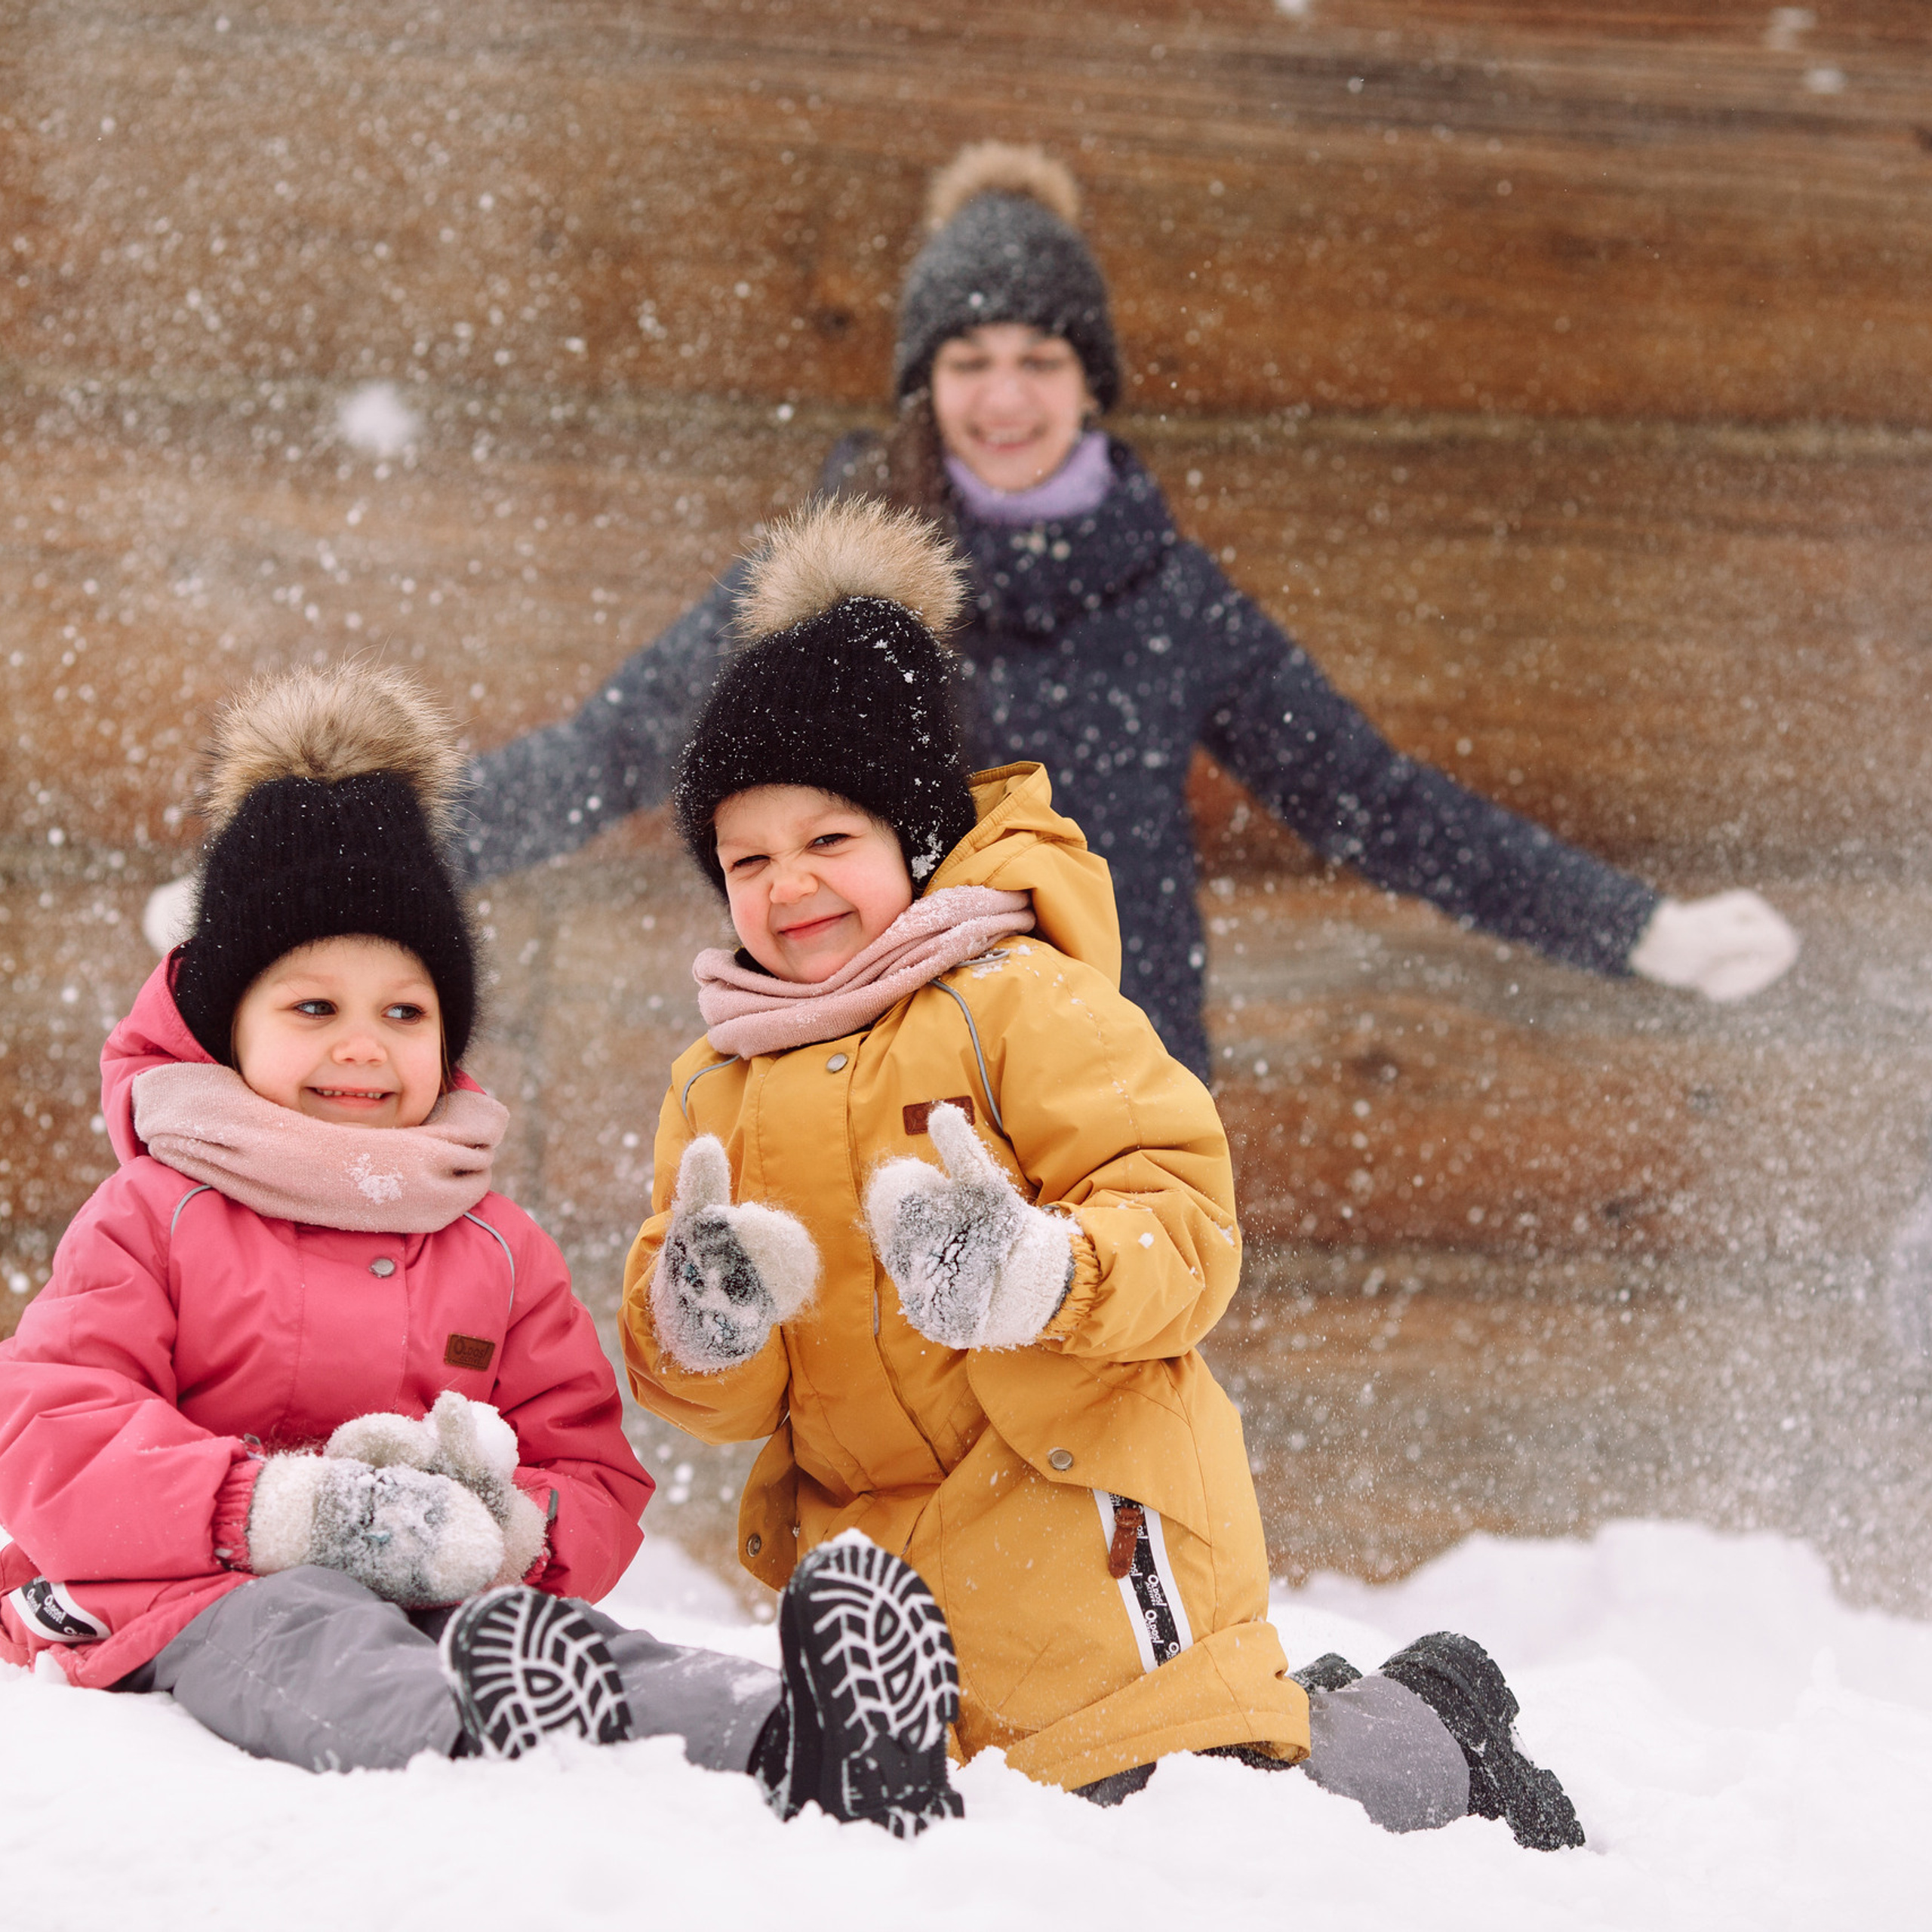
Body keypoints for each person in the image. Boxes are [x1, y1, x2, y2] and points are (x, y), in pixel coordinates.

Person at [283, 138, 1793, 1082]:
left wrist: (1630, 924)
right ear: (922, 389)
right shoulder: (829, 583)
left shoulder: (1169, 603)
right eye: (967, 362)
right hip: (877, 1084)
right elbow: (606, 750)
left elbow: (1371, 802)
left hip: (1115, 1097)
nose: (1000, 396)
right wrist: (333, 872)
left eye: (1036, 361)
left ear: (1088, 385)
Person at [619, 495, 1583, 1846]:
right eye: (747, 860)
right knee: (990, 1829)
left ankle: (1434, 1730)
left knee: (1183, 1805)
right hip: (885, 1579)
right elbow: (715, 1408)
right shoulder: (713, 1087)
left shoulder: (1022, 1004)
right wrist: (702, 1326)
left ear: (912, 835)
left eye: (828, 842)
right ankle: (1321, 1712)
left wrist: (1039, 1271)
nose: (788, 890)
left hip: (1088, 1512)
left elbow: (1186, 1230)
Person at [0, 663, 961, 1836]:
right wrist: (280, 1508)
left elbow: (593, 1474)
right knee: (307, 1627)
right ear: (224, 1029)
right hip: (202, 1597)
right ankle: (479, 1736)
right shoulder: (158, 1214)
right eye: (313, 1008)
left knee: (590, 1644)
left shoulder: (492, 1246)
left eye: (404, 1013)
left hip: (449, 1603)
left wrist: (511, 1531)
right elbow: (53, 1435)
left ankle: (806, 1728)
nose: (363, 1047)